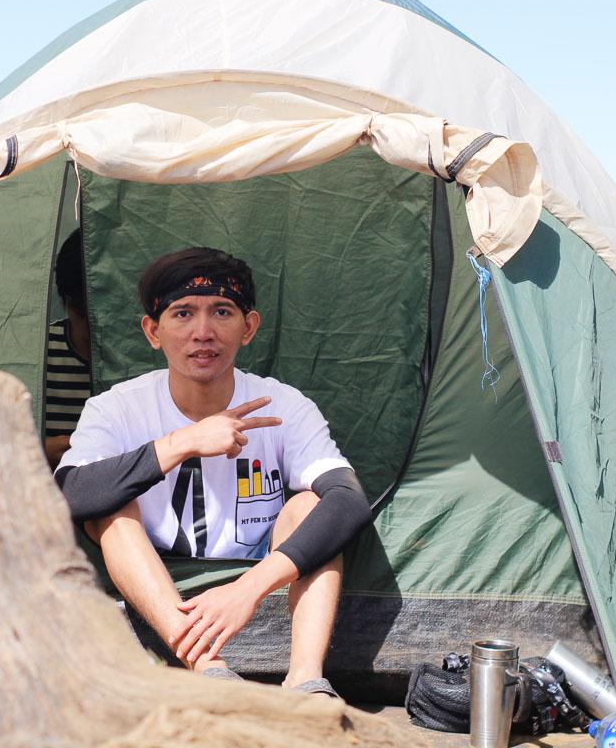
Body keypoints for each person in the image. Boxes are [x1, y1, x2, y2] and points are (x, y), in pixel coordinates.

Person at [55, 247, 372, 695]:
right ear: (152, 331)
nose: (202, 333)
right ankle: (208, 667)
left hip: (258, 568)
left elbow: (349, 501)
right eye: (182, 313)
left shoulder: (283, 405)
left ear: (249, 328)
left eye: (221, 312)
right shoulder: (115, 409)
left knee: (310, 505)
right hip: (156, 571)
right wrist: (183, 442)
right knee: (109, 512)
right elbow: (68, 494)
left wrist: (247, 590)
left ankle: (305, 679)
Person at [44, 229, 91, 467]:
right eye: (84, 314)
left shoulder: (150, 357)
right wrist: (40, 450)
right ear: (66, 303)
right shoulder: (43, 354)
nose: (94, 328)